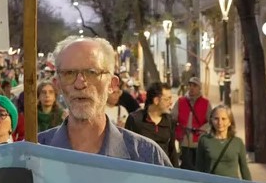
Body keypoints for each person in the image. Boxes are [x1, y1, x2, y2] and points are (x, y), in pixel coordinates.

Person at [38, 36, 172, 165]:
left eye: (92, 72)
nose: (80, 84)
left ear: (112, 85)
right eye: (69, 73)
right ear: (58, 85)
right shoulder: (33, 155)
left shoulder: (147, 157)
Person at [125, 82, 178, 167]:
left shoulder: (170, 121)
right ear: (156, 100)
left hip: (163, 172)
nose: (171, 102)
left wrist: (176, 174)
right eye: (167, 99)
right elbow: (127, 149)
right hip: (141, 171)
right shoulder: (135, 119)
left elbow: (172, 151)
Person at [195, 105, 251, 180]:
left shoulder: (238, 142)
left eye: (224, 119)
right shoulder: (204, 140)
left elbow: (244, 169)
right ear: (211, 120)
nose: (220, 122)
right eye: (216, 119)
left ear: (230, 122)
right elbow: (199, 168)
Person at [172, 76, 212, 170]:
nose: (192, 88)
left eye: (195, 85)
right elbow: (173, 118)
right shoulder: (181, 101)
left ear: (199, 88)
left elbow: (211, 120)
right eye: (190, 85)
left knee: (199, 167)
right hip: (184, 140)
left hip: (199, 140)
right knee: (186, 166)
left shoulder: (205, 103)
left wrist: (203, 129)